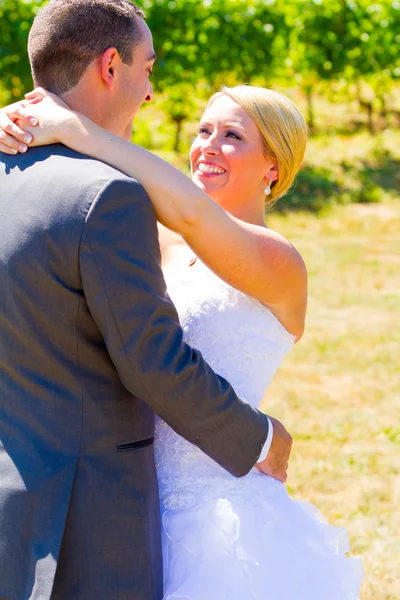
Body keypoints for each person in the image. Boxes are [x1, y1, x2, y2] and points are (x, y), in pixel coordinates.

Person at [1, 78, 364, 598]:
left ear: (274, 168)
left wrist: (78, 128)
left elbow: (191, 210)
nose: (208, 146)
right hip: (128, 505)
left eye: (233, 136)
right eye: (204, 130)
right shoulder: (161, 236)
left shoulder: (279, 262)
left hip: (216, 517)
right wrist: (21, 120)